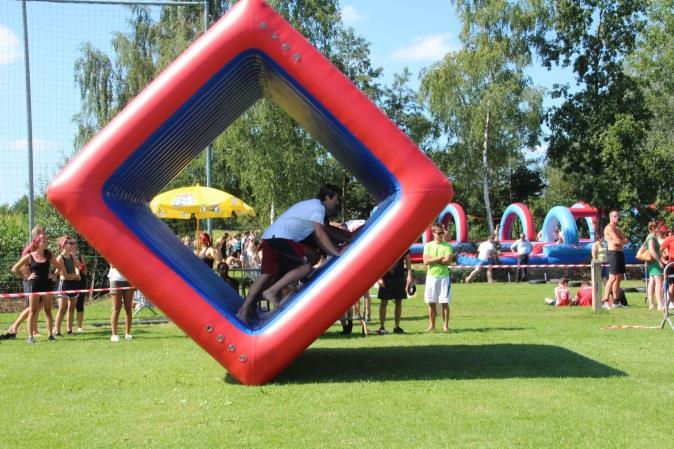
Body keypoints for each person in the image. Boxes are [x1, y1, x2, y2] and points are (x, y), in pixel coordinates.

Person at [236, 184, 346, 322]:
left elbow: (318, 237)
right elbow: (320, 232)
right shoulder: (318, 208)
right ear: (328, 197)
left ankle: (243, 311)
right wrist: (336, 252)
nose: (338, 202)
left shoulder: (312, 206)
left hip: (271, 237)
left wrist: (339, 244)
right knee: (306, 266)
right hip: (281, 237)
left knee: (266, 275)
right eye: (336, 199)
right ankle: (272, 290)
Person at [11, 233, 63, 343]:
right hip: (35, 285)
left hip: (47, 285)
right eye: (43, 240)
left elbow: (60, 266)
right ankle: (30, 336)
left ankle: (50, 335)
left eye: (46, 240)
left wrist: (53, 275)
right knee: (33, 311)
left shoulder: (49, 255)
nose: (46, 242)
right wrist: (27, 276)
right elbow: (15, 269)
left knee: (48, 310)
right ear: (37, 243)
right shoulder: (30, 256)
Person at [423, 223, 455, 332]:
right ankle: (432, 325)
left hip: (444, 277)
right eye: (439, 233)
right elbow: (426, 261)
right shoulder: (428, 246)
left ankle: (446, 326)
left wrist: (434, 260)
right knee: (431, 303)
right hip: (431, 277)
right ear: (433, 233)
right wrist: (440, 258)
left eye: (442, 233)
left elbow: (447, 261)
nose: (441, 235)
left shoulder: (448, 246)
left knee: (444, 303)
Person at [377, 250, 413, 335]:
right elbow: (378, 260)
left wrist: (409, 274)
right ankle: (382, 327)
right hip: (386, 277)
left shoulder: (403, 244)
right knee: (384, 302)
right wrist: (379, 278)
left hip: (399, 277)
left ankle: (397, 327)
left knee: (398, 302)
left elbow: (407, 259)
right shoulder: (384, 245)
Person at [54, 236, 81, 336]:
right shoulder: (60, 258)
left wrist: (77, 271)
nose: (73, 245)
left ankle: (69, 330)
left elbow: (79, 267)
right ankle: (57, 331)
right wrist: (76, 276)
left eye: (73, 243)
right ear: (64, 245)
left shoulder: (72, 256)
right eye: (70, 243)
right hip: (65, 284)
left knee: (72, 308)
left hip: (73, 284)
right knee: (62, 309)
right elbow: (65, 275)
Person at [602, 210, 629, 307]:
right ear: (610, 217)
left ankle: (616, 300)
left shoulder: (617, 229)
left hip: (620, 253)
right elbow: (618, 242)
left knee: (619, 277)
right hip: (613, 253)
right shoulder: (608, 228)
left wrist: (621, 241)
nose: (617, 218)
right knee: (612, 277)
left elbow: (625, 239)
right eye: (615, 216)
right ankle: (605, 300)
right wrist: (621, 241)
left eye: (618, 216)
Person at [108, 265, 135, 342]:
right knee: (116, 308)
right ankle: (114, 334)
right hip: (115, 280)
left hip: (129, 279)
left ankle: (128, 334)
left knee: (128, 308)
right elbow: (112, 265)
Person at [643, 221, 664, 310]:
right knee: (658, 282)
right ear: (652, 228)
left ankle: (651, 304)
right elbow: (652, 251)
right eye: (657, 227)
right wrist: (659, 261)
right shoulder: (651, 237)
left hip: (652, 263)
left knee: (652, 282)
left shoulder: (650, 237)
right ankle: (659, 304)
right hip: (655, 263)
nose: (658, 229)